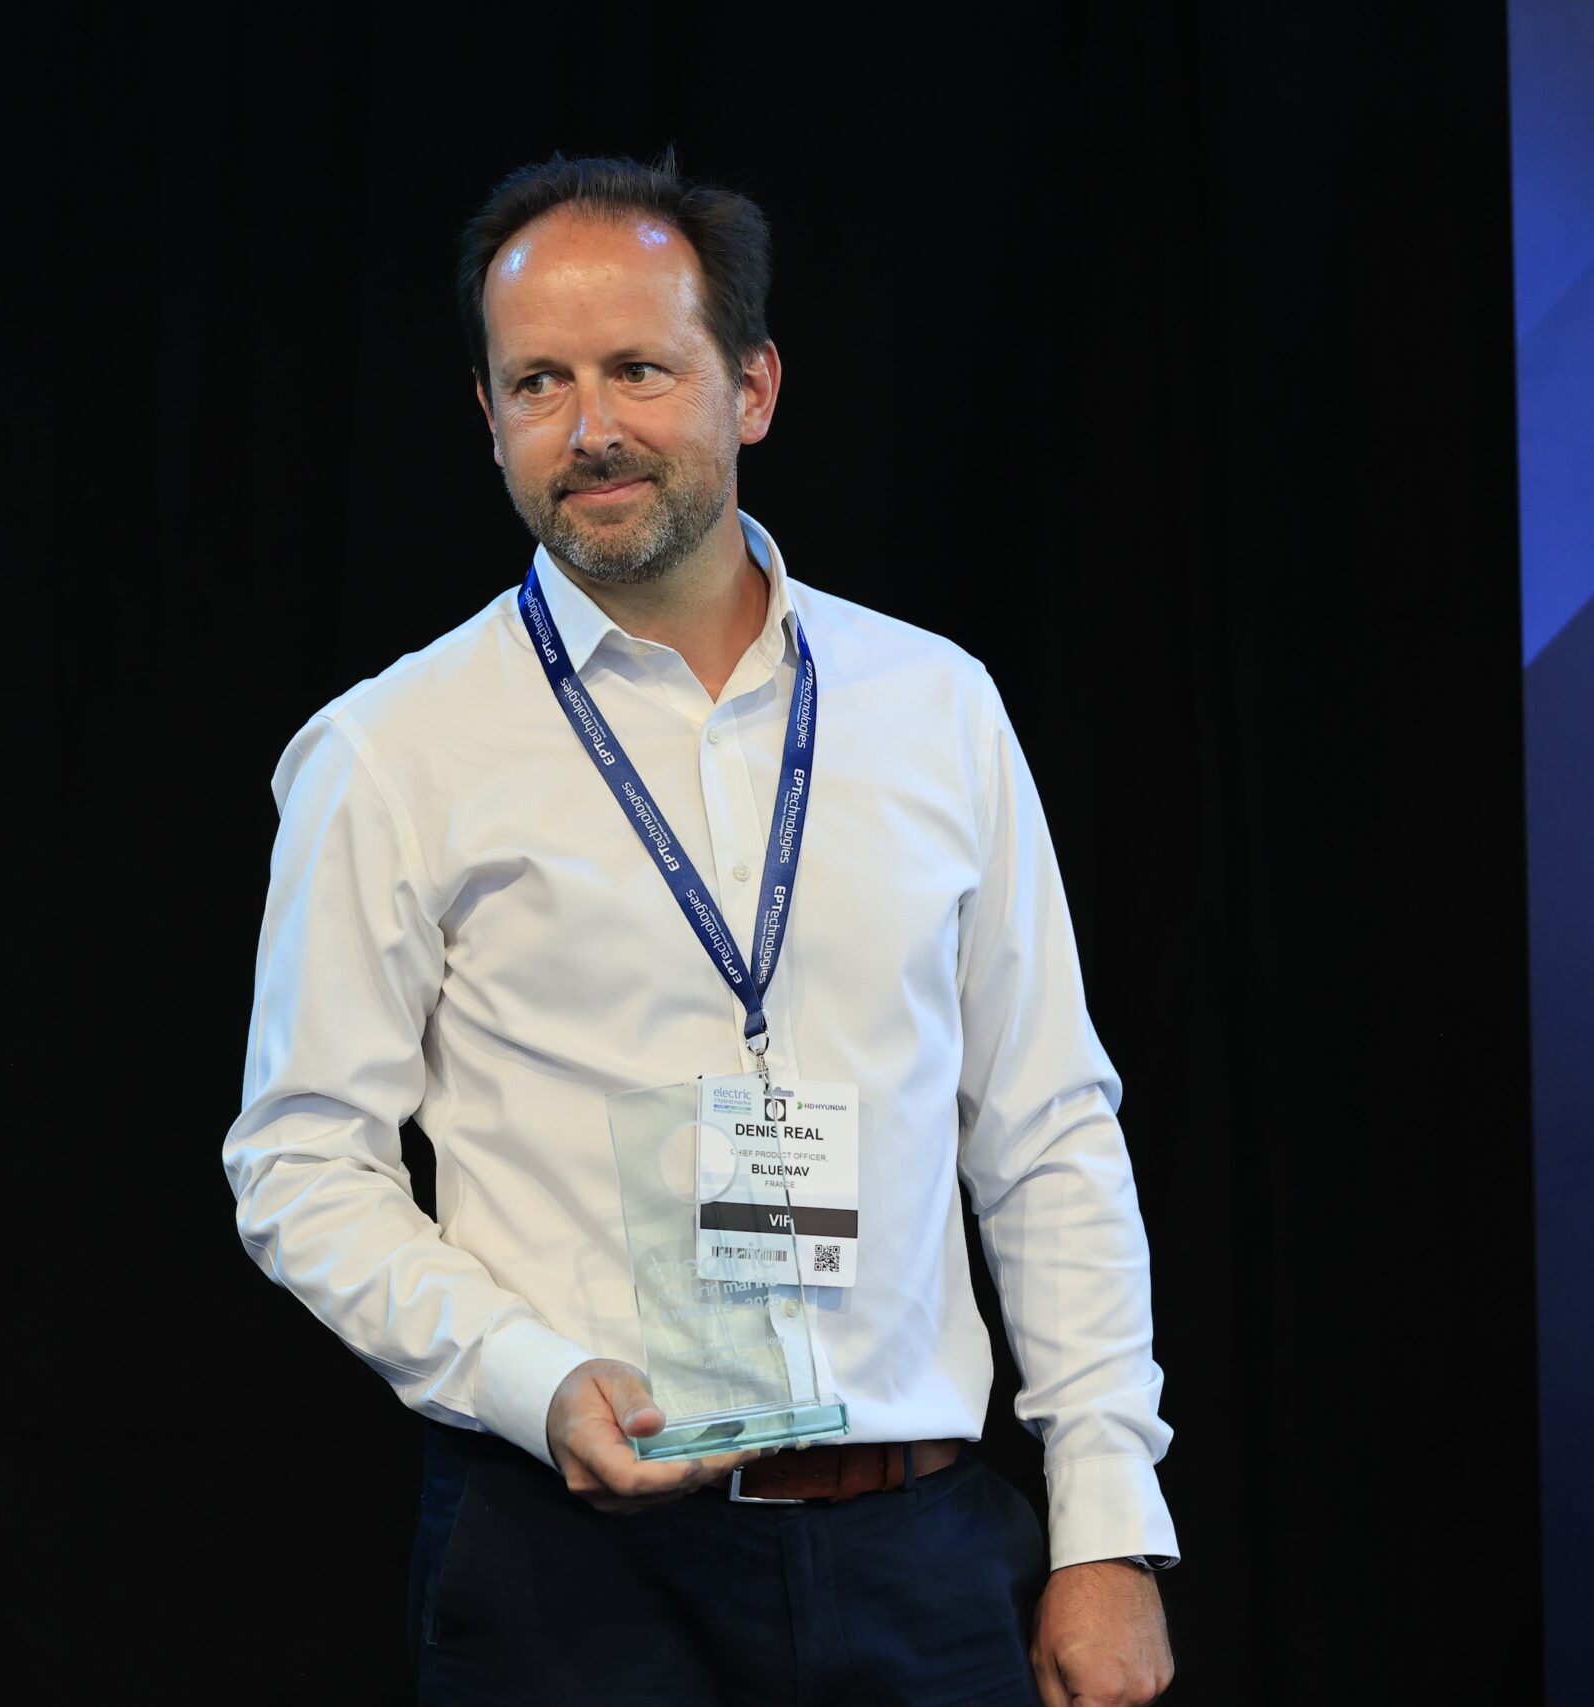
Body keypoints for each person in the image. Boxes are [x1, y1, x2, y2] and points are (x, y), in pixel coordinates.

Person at [224, 152, 1179, 1707]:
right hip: (573, 1576)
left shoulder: (934, 705)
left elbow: (1048, 1127)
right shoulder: (391, 748)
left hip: (922, 1556)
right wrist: (528, 1378)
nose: (590, 427)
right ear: (489, 418)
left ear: (755, 387)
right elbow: (300, 1163)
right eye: (538, 382)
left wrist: (1108, 1526)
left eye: (639, 370)